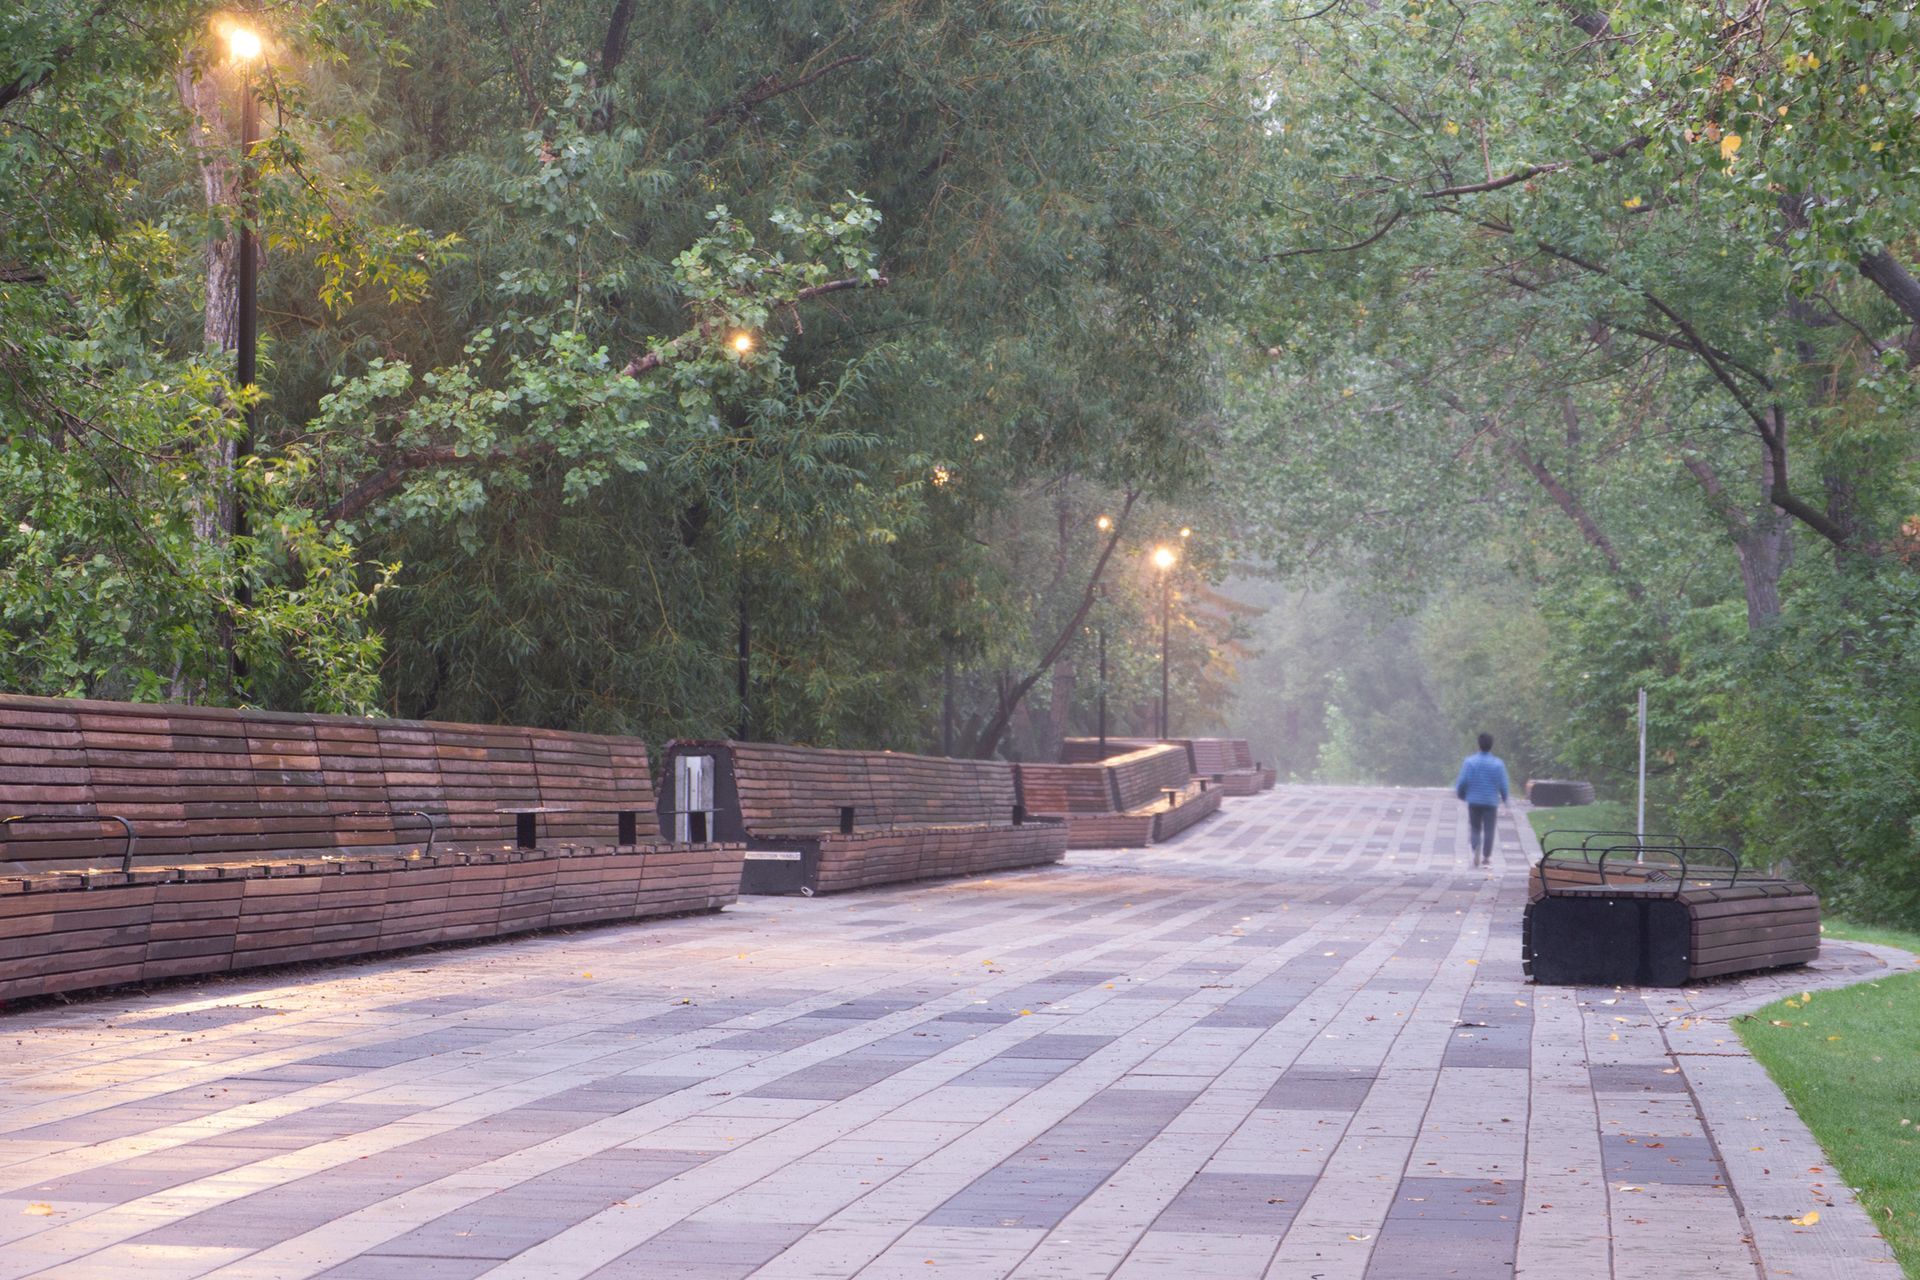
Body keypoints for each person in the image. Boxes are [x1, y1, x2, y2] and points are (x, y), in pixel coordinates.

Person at [1454, 732, 1509, 868]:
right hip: (1490, 801)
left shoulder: (1470, 762)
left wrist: (1461, 794)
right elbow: (1503, 783)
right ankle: (1486, 856)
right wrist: (1505, 797)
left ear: (1478, 744)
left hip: (1474, 800)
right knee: (1489, 829)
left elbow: (1462, 781)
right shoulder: (1498, 764)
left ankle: (1476, 847)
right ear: (1491, 746)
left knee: (1475, 828)